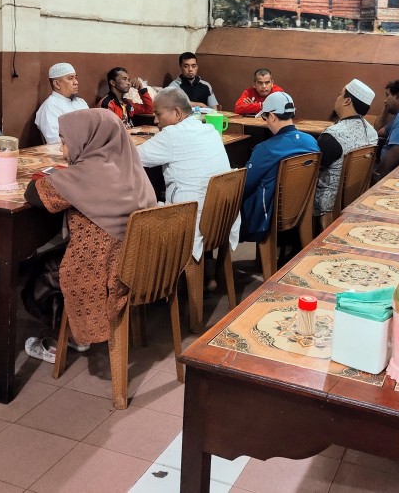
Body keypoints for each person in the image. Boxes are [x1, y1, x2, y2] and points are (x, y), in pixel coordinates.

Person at [22, 109, 156, 362]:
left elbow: (33, 194)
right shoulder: (130, 166)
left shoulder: (86, 174)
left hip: (101, 270)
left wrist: (57, 174)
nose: (62, 148)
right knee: (54, 257)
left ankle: (64, 338)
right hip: (135, 262)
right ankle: (74, 330)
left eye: (65, 142)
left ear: (87, 140)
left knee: (42, 272)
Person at [137, 87, 238, 287]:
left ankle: (154, 288)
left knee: (138, 220)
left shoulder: (172, 135)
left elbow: (134, 157)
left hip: (193, 221)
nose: (155, 120)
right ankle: (207, 275)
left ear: (177, 113)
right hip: (221, 218)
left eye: (158, 114)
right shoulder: (209, 129)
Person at [240, 92, 319, 241]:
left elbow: (245, 185)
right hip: (300, 208)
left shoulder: (266, 149)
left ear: (272, 116)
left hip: (266, 218)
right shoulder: (311, 142)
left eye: (264, 117)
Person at [314, 79, 378, 217]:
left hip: (328, 204)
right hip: (356, 198)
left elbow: (313, 171)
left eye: (340, 94)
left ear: (347, 101)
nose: (337, 98)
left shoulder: (333, 135)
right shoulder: (372, 132)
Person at [35, 62, 89, 144]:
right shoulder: (49, 107)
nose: (76, 82)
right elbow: (54, 142)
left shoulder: (81, 102)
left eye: (75, 78)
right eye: (70, 78)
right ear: (57, 84)